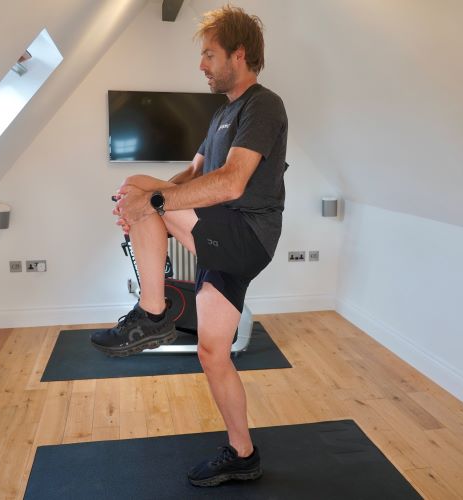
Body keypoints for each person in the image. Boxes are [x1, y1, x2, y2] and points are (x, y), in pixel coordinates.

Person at [91, 5, 288, 487]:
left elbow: (233, 182)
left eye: (209, 54)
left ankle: (154, 312)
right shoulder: (222, 114)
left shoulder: (262, 105)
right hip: (223, 237)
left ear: (238, 56)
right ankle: (244, 455)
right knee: (212, 353)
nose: (202, 64)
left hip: (245, 235)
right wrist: (143, 206)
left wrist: (152, 202)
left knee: (141, 185)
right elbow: (192, 176)